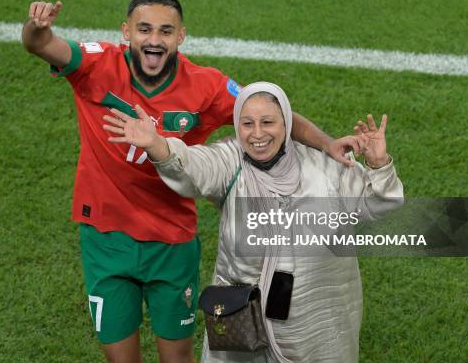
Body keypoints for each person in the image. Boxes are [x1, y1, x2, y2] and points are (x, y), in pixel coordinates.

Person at [23, 0, 359, 362]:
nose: (154, 40)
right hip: (106, 240)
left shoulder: (206, 85)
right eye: (145, 29)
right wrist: (36, 28)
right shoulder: (96, 64)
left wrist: (326, 143)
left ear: (180, 36)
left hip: (172, 241)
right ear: (126, 32)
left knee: (177, 358)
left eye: (165, 31)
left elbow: (271, 112)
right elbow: (43, 45)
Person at [103, 81, 404, 362]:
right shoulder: (231, 161)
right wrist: (158, 145)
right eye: (247, 124)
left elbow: (379, 204)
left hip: (315, 318)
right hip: (240, 317)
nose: (257, 134)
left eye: (268, 122)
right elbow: (193, 165)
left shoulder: (325, 167)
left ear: (287, 123)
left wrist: (379, 164)